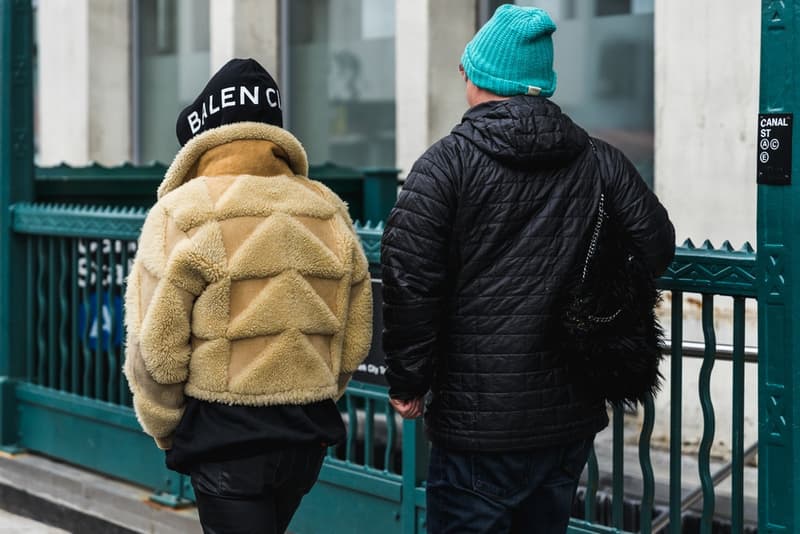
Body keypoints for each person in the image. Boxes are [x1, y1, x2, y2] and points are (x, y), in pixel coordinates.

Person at [381, 5, 675, 534]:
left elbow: (410, 281)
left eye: (467, 68)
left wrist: (408, 380)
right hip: (568, 416)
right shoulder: (597, 157)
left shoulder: (445, 166)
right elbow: (656, 245)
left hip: (477, 425)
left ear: (482, 78)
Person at [123, 58, 373, 534]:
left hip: (224, 440)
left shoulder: (182, 212)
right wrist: (315, 392)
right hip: (305, 438)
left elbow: (154, 350)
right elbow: (355, 334)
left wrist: (166, 428)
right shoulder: (326, 209)